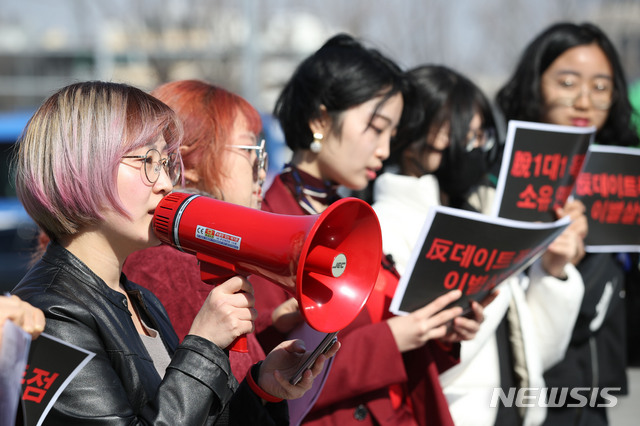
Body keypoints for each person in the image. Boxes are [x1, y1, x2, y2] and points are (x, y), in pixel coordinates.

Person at [11, 81, 338, 424]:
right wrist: (204, 345)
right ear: (82, 169)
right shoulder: (51, 315)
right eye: (148, 160)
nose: (166, 183)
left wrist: (262, 391)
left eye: (166, 163)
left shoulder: (142, 301)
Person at [252, 34, 485, 426]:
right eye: (376, 128)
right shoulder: (267, 225)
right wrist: (393, 339)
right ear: (320, 119)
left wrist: (440, 328)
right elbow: (265, 373)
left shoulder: (354, 218)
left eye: (391, 135)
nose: (384, 149)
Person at [372, 64, 586, 426]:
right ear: (411, 135)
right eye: (460, 136)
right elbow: (421, 362)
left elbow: (536, 349)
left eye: (480, 136)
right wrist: (498, 266)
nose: (473, 149)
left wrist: (551, 268)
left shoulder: (484, 211)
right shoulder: (385, 223)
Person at [496, 22, 640, 426]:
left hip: (594, 399)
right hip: (520, 396)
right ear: (533, 85)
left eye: (600, 87)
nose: (583, 100)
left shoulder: (623, 181)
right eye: (567, 82)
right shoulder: (497, 178)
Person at [123, 79, 269, 381]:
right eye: (250, 150)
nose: (262, 170)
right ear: (188, 162)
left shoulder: (167, 256)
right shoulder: (174, 263)